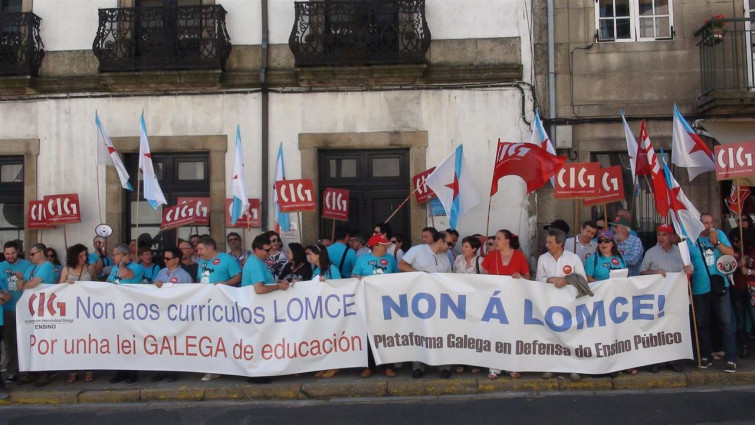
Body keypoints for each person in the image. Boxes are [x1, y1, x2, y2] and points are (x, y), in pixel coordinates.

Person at [398, 229, 453, 379]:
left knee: (441, 332)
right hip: (418, 299)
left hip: (440, 301)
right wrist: (421, 275)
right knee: (419, 330)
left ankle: (444, 366)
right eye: (449, 243)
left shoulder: (445, 258)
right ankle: (418, 366)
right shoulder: (418, 250)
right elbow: (402, 265)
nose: (450, 246)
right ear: (441, 241)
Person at [640, 223, 692, 373]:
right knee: (657, 329)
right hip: (657, 299)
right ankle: (656, 360)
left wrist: (689, 269)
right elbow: (641, 271)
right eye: (658, 234)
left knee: (674, 328)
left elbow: (690, 268)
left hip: (676, 298)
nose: (661, 237)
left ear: (672, 237)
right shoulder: (651, 252)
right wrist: (654, 272)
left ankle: (673, 360)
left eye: (664, 234)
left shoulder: (681, 252)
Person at [536, 228, 586, 381]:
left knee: (571, 336)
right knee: (551, 335)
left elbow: (582, 279)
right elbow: (539, 280)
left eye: (550, 242)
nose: (547, 245)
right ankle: (552, 367)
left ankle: (574, 368)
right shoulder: (543, 259)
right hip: (550, 303)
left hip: (571, 304)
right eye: (547, 242)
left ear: (560, 243)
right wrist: (552, 280)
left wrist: (567, 280)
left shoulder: (573, 259)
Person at [689, 213, 737, 372]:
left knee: (725, 323)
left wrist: (716, 243)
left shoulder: (719, 234)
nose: (709, 226)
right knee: (703, 324)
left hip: (719, 285)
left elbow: (730, 254)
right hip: (700, 288)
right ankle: (706, 356)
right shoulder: (691, 239)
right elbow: (685, 260)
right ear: (698, 224)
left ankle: (731, 358)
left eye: (711, 222)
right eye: (705, 223)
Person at [481, 230, 528, 380]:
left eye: (498, 238)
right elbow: (483, 277)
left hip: (513, 301)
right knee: (495, 333)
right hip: (495, 301)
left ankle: (512, 366)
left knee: (512, 333)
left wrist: (519, 277)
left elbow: (527, 276)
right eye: (495, 238)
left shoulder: (519, 256)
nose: (495, 241)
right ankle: (494, 368)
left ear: (507, 241)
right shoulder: (491, 256)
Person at [352, 233, 398, 378]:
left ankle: (388, 366)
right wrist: (359, 278)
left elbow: (397, 277)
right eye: (384, 245)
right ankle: (369, 367)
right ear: (376, 246)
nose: (386, 248)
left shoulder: (391, 259)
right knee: (369, 334)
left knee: (388, 334)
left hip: (387, 303)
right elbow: (353, 276)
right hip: (368, 302)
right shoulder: (362, 259)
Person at [15, 243, 57, 386]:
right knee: (30, 339)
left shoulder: (47, 266)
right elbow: (22, 284)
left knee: (42, 340)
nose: (30, 256)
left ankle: (44, 372)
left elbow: (32, 284)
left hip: (44, 309)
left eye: (33, 254)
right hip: (31, 309)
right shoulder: (32, 268)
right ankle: (31, 371)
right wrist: (23, 282)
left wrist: (24, 284)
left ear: (41, 253)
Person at [107, 243, 145, 384]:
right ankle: (120, 371)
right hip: (116, 308)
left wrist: (122, 264)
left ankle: (132, 372)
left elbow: (125, 274)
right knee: (118, 341)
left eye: (115, 254)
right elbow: (108, 281)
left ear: (123, 255)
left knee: (130, 341)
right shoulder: (114, 268)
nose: (113, 257)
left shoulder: (136, 267)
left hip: (131, 309)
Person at [305, 243, 341, 379]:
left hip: (331, 309)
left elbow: (341, 286)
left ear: (318, 255)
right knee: (322, 338)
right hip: (319, 309)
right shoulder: (315, 270)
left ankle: (334, 366)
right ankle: (324, 365)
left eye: (310, 254)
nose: (308, 257)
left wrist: (327, 282)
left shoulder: (332, 269)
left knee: (331, 337)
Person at [1, 240, 30, 385]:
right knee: (10, 342)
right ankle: (13, 371)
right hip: (7, 310)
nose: (10, 256)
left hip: (25, 309)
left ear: (18, 251)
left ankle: (27, 371)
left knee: (25, 340)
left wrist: (23, 278)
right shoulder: (0, 267)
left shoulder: (27, 265)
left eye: (12, 253)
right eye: (7, 254)